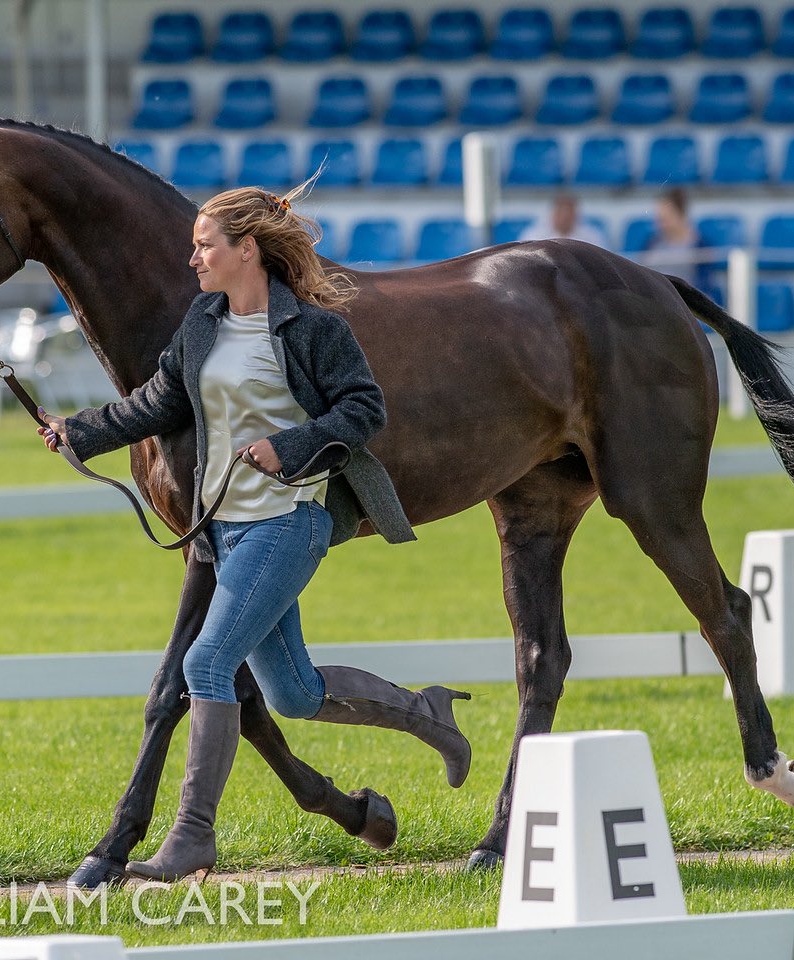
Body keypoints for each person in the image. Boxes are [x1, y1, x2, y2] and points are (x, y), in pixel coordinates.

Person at [37, 181, 472, 882]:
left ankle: (192, 837)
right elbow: (158, 402)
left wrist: (289, 446)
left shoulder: (313, 329)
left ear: (247, 250)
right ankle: (427, 714)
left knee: (204, 664)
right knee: (293, 694)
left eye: (204, 246)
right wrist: (78, 431)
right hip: (225, 533)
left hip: (287, 523)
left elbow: (365, 410)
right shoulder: (203, 322)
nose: (193, 259)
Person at [643, 187, 705, 289]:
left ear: (680, 214)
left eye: (665, 219)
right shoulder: (652, 243)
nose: (661, 224)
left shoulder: (700, 246)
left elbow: (703, 285)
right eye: (659, 219)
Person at [519, 192, 606, 246]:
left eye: (569, 214)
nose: (565, 218)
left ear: (576, 215)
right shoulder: (534, 235)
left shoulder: (592, 236)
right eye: (561, 213)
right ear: (553, 214)